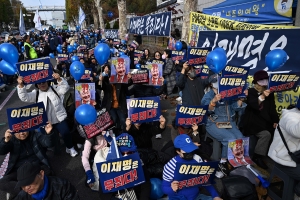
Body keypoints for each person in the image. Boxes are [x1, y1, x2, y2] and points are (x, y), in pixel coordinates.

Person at [17, 74, 78, 157]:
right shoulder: (36, 93)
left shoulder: (55, 89)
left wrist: (59, 79)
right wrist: (21, 85)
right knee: (47, 138)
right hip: (45, 122)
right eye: (39, 83)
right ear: (37, 85)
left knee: (66, 133)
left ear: (48, 82)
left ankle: (70, 148)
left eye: (43, 82)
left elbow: (65, 88)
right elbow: (24, 97)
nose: (42, 84)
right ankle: (48, 150)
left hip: (59, 118)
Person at [201, 74, 246, 178]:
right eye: (216, 83)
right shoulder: (208, 95)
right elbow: (205, 111)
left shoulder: (228, 94)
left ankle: (235, 161)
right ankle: (223, 162)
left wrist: (240, 100)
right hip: (213, 122)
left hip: (229, 122)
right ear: (211, 85)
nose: (218, 85)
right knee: (230, 138)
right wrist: (213, 101)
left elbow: (235, 108)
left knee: (240, 138)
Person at [0, 123, 56, 198]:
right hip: (18, 170)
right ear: (13, 131)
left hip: (36, 167)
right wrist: (5, 141)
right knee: (2, 182)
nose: (22, 133)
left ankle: (24, 193)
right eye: (19, 131)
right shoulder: (12, 139)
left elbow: (48, 143)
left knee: (48, 174)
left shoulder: (35, 135)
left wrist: (49, 134)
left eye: (24, 130)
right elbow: (2, 151)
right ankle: (31, 191)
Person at [162, 134, 222, 200]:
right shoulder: (170, 166)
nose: (190, 152)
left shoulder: (197, 159)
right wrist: (172, 189)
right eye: (186, 150)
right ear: (178, 151)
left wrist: (215, 196)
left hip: (196, 196)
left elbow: (205, 180)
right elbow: (164, 188)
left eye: (190, 148)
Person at [241, 70, 279, 169]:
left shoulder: (270, 93)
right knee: (266, 134)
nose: (264, 82)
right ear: (256, 82)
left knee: (277, 130)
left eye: (265, 79)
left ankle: (275, 156)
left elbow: (272, 109)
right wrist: (262, 96)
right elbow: (253, 105)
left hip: (266, 120)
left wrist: (275, 121)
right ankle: (258, 157)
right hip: (252, 120)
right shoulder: (250, 92)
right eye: (261, 80)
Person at [268, 100, 300, 198]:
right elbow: (297, 132)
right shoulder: (290, 116)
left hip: (297, 158)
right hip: (285, 160)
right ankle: (296, 193)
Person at [15, 162, 79, 200]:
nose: (26, 188)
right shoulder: (22, 196)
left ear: (41, 174)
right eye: (22, 185)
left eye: (29, 181)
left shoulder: (63, 187)